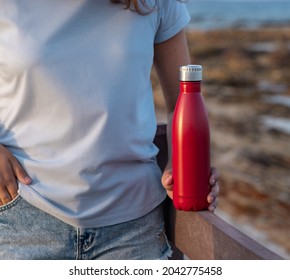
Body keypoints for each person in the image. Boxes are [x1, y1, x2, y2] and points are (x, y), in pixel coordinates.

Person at [0, 0, 219, 259]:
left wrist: (179, 166)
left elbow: (182, 100)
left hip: (133, 228)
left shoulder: (156, 2)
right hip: (22, 215)